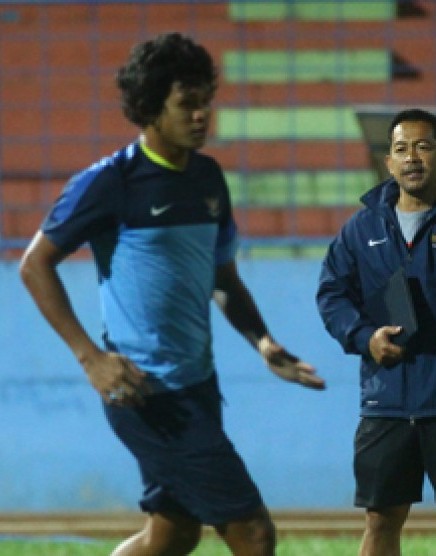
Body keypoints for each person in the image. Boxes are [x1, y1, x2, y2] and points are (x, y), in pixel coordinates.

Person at [18, 32, 325, 556]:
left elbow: (222, 280)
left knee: (172, 535)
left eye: (207, 101)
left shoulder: (207, 178)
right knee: (252, 531)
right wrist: (90, 357)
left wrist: (264, 344)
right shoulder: (111, 182)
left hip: (197, 385)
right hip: (147, 393)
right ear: (150, 109)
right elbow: (34, 265)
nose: (203, 115)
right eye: (188, 104)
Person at [316, 108, 436, 556]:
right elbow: (332, 295)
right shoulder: (361, 229)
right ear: (389, 162)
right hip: (388, 400)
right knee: (381, 521)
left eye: (424, 146)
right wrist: (366, 339)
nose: (412, 157)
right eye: (401, 148)